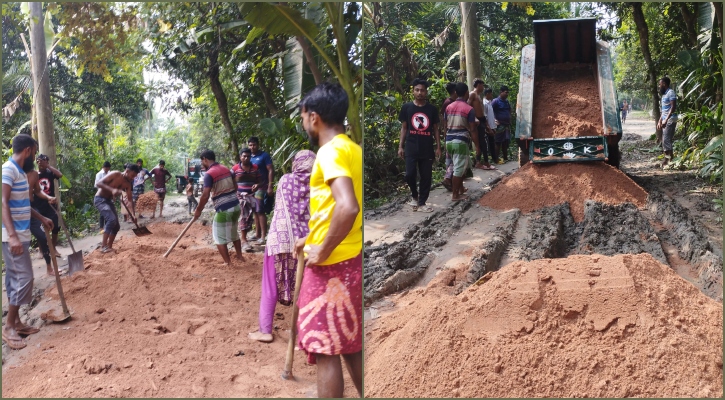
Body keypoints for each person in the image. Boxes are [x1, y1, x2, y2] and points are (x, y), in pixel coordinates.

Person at [292, 82, 362, 398]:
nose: (303, 121)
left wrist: (323, 248)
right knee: (350, 345)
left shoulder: (330, 151)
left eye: (303, 115)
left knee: (325, 346)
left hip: (333, 265)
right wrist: (310, 238)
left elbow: (348, 206)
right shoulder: (352, 149)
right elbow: (334, 209)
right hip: (352, 258)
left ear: (314, 117)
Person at [249, 150, 316, 343]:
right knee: (303, 288)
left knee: (270, 285)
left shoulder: (286, 180)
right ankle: (301, 335)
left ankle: (265, 330)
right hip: (305, 243)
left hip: (280, 239)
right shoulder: (318, 183)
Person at [2, 134, 54, 350]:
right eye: (34, 150)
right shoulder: (8, 169)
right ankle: (8, 327)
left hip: (21, 235)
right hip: (11, 236)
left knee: (17, 278)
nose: (35, 155)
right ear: (27, 150)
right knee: (24, 277)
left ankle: (17, 323)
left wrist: (42, 218)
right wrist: (12, 235)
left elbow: (23, 203)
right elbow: (2, 201)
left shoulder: (22, 174)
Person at [192, 150, 243, 265]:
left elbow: (205, 195)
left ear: (205, 159)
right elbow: (235, 186)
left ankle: (227, 263)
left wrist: (198, 210)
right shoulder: (226, 168)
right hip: (236, 206)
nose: (202, 163)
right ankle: (240, 257)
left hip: (224, 209)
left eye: (202, 161)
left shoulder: (209, 174)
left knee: (218, 237)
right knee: (234, 232)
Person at [398, 78, 441, 212]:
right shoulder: (407, 108)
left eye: (422, 90)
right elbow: (404, 128)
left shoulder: (432, 109)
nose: (420, 92)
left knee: (426, 176)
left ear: (426, 92)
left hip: (427, 147)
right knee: (409, 174)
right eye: (417, 90)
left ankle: (422, 203)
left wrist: (438, 147)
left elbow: (435, 129)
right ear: (413, 91)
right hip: (411, 146)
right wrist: (400, 146)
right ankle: (415, 196)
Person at [444, 82, 478, 201]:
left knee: (459, 165)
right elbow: (473, 129)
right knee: (458, 168)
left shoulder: (449, 107)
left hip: (449, 140)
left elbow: (445, 124)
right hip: (460, 141)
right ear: (466, 93)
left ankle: (461, 189)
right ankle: (455, 195)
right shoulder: (469, 109)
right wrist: (477, 145)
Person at [94, 164, 139, 253]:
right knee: (111, 219)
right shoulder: (116, 174)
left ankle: (109, 246)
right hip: (100, 199)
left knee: (116, 226)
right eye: (132, 175)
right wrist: (112, 190)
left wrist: (133, 215)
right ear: (127, 171)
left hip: (109, 201)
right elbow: (98, 183)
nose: (133, 178)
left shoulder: (128, 184)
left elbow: (130, 200)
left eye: (135, 177)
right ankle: (103, 246)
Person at [27, 160, 59, 276]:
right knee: (22, 244)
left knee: (43, 237)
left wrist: (48, 197)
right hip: (18, 212)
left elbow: (38, 191)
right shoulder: (14, 173)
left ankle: (49, 268)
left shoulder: (34, 174)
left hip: (32, 209)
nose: (37, 160)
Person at [231, 148, 261, 251]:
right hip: (239, 197)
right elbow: (230, 181)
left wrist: (257, 185)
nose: (246, 158)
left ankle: (243, 238)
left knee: (249, 218)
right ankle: (243, 240)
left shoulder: (255, 168)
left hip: (251, 196)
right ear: (240, 157)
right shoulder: (235, 169)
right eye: (244, 156)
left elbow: (259, 180)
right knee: (243, 216)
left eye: (248, 156)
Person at [247, 137, 274, 244]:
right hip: (251, 188)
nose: (252, 147)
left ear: (258, 145)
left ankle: (263, 236)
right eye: (250, 145)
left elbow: (271, 170)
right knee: (255, 211)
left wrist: (270, 186)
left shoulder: (264, 156)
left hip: (262, 187)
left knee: (260, 211)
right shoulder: (248, 157)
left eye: (254, 145)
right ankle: (257, 234)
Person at [35, 154, 62, 249]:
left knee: (55, 227)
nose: (40, 163)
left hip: (51, 204)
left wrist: (48, 166)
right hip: (38, 205)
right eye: (39, 161)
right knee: (39, 229)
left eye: (43, 161)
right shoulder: (34, 175)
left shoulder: (50, 173)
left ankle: (53, 248)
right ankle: (41, 250)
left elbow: (60, 175)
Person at [469, 79, 495, 170]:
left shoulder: (479, 96)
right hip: (476, 121)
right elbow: (468, 106)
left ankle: (482, 162)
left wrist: (486, 124)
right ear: (478, 85)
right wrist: (474, 118)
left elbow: (482, 111)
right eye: (482, 85)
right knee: (481, 143)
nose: (483, 87)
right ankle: (482, 162)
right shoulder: (472, 94)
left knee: (483, 142)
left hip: (481, 120)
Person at [657, 77, 678, 168]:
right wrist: (660, 120)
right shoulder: (664, 95)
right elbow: (664, 110)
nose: (659, 85)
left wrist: (666, 120)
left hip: (671, 119)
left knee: (666, 139)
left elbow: (672, 108)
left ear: (664, 84)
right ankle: (670, 159)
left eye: (660, 84)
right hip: (665, 118)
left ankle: (668, 160)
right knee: (665, 139)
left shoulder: (671, 93)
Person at [441, 83, 457, 191]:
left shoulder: (449, 102)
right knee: (454, 158)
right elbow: (444, 120)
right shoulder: (449, 103)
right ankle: (448, 178)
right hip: (451, 133)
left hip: (449, 133)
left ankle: (450, 180)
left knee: (451, 158)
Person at [491, 85, 512, 164]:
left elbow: (509, 110)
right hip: (499, 126)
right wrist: (494, 120)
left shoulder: (506, 101)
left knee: (505, 142)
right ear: (501, 92)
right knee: (498, 142)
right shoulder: (495, 101)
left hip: (506, 125)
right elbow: (490, 111)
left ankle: (505, 157)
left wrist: (509, 118)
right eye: (506, 92)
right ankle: (496, 159)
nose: (507, 94)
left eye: (507, 93)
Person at [483, 88, 499, 162]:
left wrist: (494, 121)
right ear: (487, 94)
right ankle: (492, 159)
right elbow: (485, 116)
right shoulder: (484, 103)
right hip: (488, 127)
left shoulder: (489, 102)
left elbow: (490, 115)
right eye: (491, 94)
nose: (492, 95)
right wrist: (488, 127)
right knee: (490, 143)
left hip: (492, 125)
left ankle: (494, 158)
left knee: (492, 142)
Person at [95, 161, 111, 232]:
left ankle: (107, 227)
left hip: (108, 194)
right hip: (101, 195)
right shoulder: (99, 174)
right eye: (106, 169)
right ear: (103, 167)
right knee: (102, 211)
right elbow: (96, 184)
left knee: (108, 210)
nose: (107, 170)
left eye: (108, 169)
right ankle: (101, 227)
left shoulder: (110, 173)